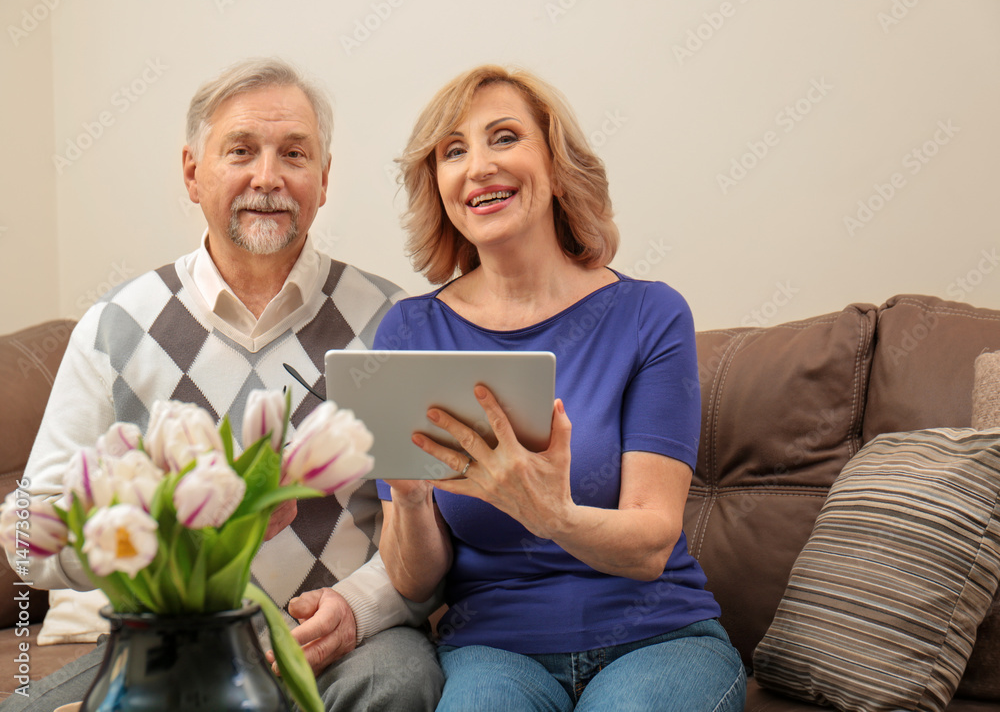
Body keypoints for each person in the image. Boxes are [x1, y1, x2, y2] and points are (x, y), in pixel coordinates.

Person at [2, 58, 442, 712]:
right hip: (170, 643)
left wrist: (359, 606)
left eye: (294, 153)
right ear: (192, 173)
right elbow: (24, 534)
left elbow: (433, 524)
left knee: (400, 683)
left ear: (323, 180)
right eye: (240, 150)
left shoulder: (391, 320)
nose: (267, 177)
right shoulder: (116, 326)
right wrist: (153, 536)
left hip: (346, 645)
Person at [374, 65, 747, 711]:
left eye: (504, 137)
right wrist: (407, 498)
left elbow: (651, 544)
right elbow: (412, 580)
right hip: (495, 650)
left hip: (656, 638)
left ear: (555, 165)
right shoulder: (409, 331)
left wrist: (552, 514)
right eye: (453, 151)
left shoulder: (650, 315)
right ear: (438, 186)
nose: (479, 166)